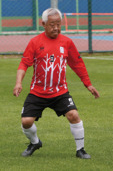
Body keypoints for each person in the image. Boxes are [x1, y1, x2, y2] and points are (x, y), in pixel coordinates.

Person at [13, 8, 100, 159]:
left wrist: (88, 84)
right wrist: (18, 83)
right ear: (43, 24)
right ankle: (35, 142)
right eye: (52, 24)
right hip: (37, 92)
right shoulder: (35, 42)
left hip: (60, 92)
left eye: (58, 24)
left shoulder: (67, 42)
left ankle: (81, 150)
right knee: (26, 122)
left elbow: (77, 64)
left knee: (73, 115)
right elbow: (24, 64)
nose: (56, 28)